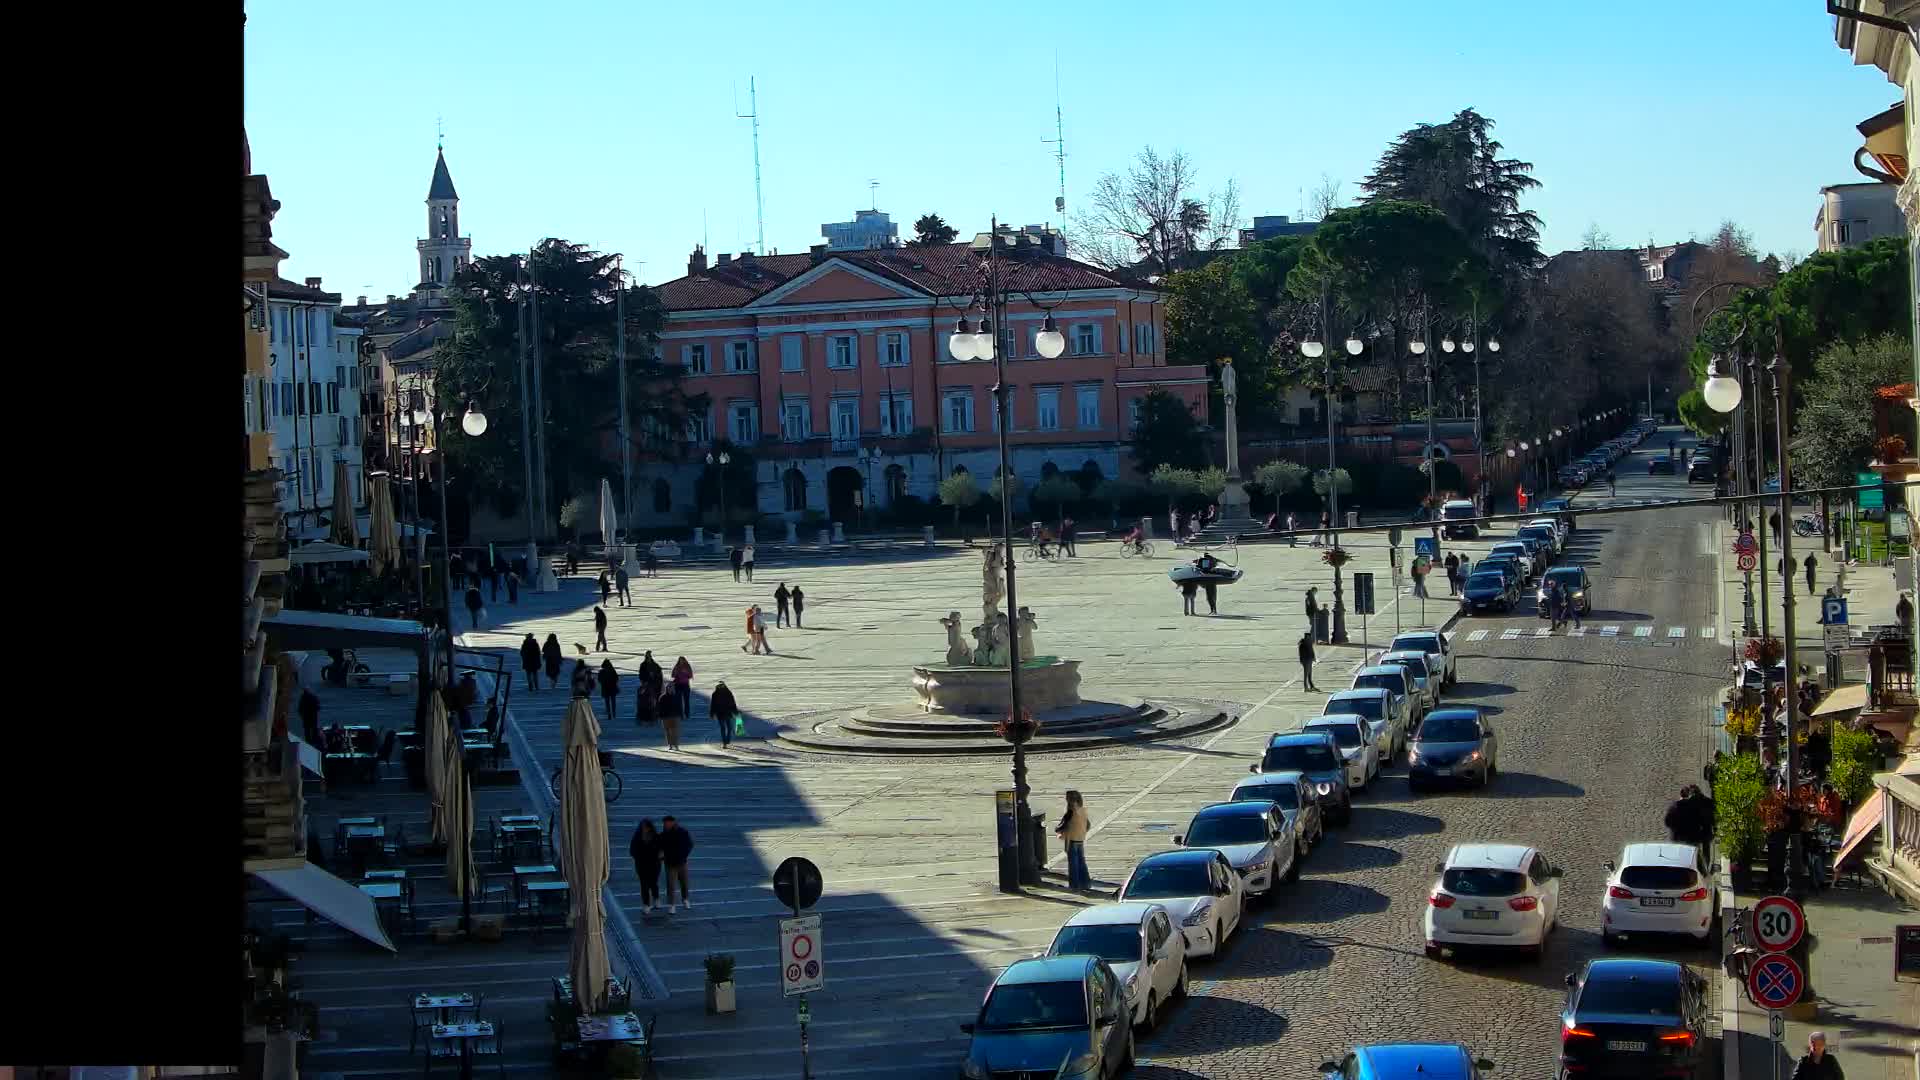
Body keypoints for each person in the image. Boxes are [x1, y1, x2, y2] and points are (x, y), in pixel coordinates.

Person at [1056, 790, 1091, 892]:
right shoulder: (1083, 810)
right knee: (1081, 862)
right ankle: (1085, 883)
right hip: (1080, 839)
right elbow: (1088, 825)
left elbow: (1062, 826)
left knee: (1073, 864)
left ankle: (1074, 885)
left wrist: (1058, 830)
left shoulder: (1070, 812)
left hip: (1071, 840)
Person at [659, 815, 695, 912]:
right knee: (670, 885)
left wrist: (684, 855)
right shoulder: (663, 835)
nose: (665, 825)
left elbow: (690, 844)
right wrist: (661, 855)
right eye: (664, 823)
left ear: (672, 822)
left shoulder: (682, 832)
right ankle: (671, 904)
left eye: (666, 823)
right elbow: (659, 847)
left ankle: (685, 899)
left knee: (684, 882)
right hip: (670, 864)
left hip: (682, 862)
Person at [630, 819, 663, 914]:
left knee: (653, 883)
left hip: (654, 864)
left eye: (646, 827)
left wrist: (661, 855)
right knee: (644, 885)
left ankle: (656, 898)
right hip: (642, 865)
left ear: (650, 827)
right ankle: (646, 904)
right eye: (643, 827)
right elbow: (632, 850)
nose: (644, 829)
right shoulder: (637, 837)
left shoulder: (656, 837)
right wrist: (638, 857)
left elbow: (661, 849)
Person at [710, 681, 738, 749]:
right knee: (728, 727)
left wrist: (712, 713)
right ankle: (726, 741)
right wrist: (735, 711)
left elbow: (713, 705)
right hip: (725, 713)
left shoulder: (716, 693)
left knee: (725, 728)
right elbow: (732, 702)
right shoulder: (726, 693)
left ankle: (725, 742)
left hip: (722, 713)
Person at [658, 682, 683, 750]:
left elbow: (680, 706)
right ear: (666, 688)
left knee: (675, 731)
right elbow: (660, 708)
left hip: (675, 716)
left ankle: (676, 745)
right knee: (668, 731)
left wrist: (681, 715)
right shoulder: (662, 697)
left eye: (671, 687)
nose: (670, 688)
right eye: (669, 687)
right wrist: (660, 716)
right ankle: (670, 745)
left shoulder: (677, 696)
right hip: (666, 717)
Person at [670, 656, 694, 721]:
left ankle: (687, 714)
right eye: (680, 660)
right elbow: (672, 675)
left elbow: (690, 675)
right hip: (678, 685)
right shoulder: (677, 666)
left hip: (685, 685)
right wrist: (676, 672)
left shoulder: (687, 666)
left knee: (686, 701)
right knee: (679, 701)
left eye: (682, 660)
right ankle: (680, 715)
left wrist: (685, 672)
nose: (681, 661)